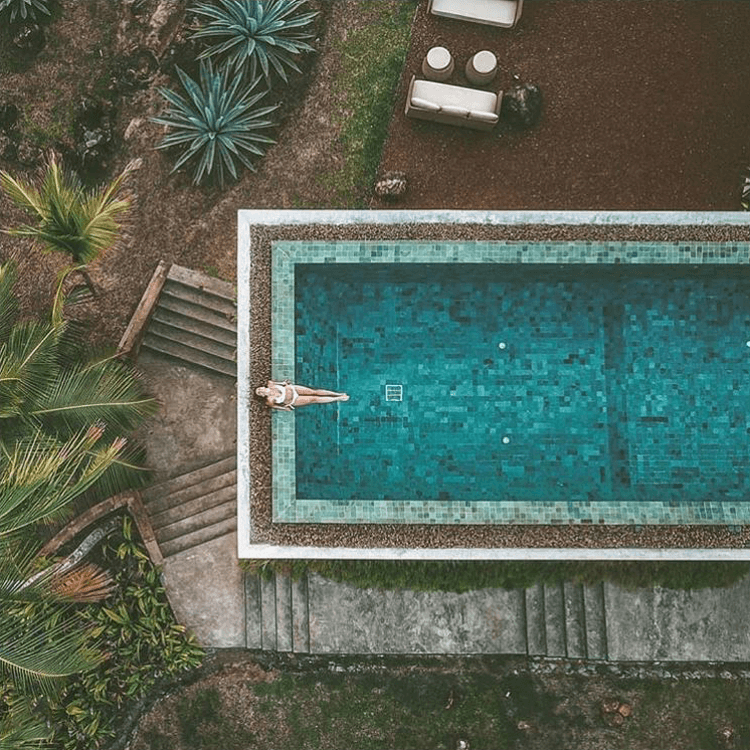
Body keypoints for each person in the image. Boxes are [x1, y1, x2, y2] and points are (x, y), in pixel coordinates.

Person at [255, 380, 349, 411]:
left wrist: (283, 383)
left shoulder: (270, 384)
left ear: (262, 387)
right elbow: (275, 406)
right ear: (262, 396)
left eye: (259, 389)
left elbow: (279, 382)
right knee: (314, 399)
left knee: (314, 392)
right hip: (293, 400)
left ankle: (337, 393)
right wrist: (285, 408)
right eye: (260, 393)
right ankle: (338, 398)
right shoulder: (269, 400)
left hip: (293, 389)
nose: (261, 391)